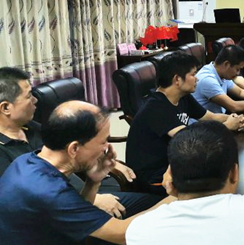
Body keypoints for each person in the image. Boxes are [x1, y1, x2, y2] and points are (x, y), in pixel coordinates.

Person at [0, 101, 170, 245]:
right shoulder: (49, 192)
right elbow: (124, 234)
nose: (106, 148)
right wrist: (175, 199)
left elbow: (70, 213)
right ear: (74, 149)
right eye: (103, 142)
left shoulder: (28, 161)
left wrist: (93, 182)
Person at [0, 67, 159, 218]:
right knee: (154, 211)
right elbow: (29, 198)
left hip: (83, 192)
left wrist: (106, 163)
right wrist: (94, 200)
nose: (35, 100)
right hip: (62, 208)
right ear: (6, 107)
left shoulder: (31, 128)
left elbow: (74, 146)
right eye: (28, 96)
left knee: (153, 204)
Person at [126, 52, 244, 194]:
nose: (197, 79)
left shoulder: (183, 97)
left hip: (177, 164)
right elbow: (189, 140)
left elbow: (211, 117)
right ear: (177, 79)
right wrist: (227, 127)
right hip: (155, 178)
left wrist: (233, 118)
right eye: (193, 74)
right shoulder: (156, 107)